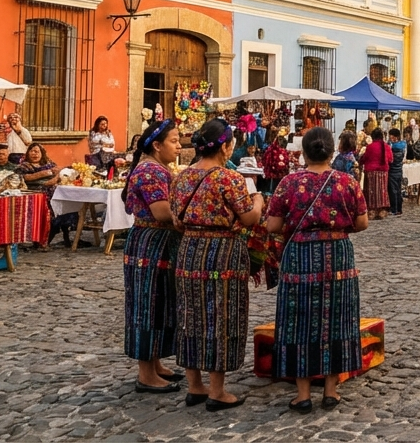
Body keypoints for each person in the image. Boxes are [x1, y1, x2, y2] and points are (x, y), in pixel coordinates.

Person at [265, 126, 368, 413]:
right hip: (337, 255)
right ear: (332, 151)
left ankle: (303, 394)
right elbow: (362, 223)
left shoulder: (289, 183)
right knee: (338, 316)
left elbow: (272, 225)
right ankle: (331, 390)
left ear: (303, 152)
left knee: (298, 318)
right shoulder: (346, 182)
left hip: (300, 255)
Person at [171, 118, 264, 411]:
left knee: (190, 315)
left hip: (189, 252)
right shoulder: (229, 179)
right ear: (225, 146)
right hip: (223, 253)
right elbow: (249, 218)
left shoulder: (182, 177)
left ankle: (194, 387)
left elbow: (176, 220)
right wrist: (258, 199)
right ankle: (218, 391)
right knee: (221, 316)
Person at [123, 119, 184, 394]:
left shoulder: (156, 168)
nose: (179, 145)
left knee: (160, 302)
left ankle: (156, 362)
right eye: (174, 141)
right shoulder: (150, 172)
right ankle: (146, 373)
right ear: (157, 146)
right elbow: (161, 212)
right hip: (151, 244)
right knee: (149, 304)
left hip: (158, 243)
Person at [19, 143, 73, 249]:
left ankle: (64, 233)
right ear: (28, 153)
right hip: (38, 190)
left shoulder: (49, 162)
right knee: (50, 199)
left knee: (67, 199)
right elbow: (26, 178)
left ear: (42, 153)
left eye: (37, 151)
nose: (35, 154)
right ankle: (43, 240)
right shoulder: (24, 166)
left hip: (53, 187)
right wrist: (47, 174)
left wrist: (56, 177)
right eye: (32, 151)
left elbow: (59, 171)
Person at [360, 128, 391, 219]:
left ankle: (372, 210)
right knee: (382, 191)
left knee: (371, 191)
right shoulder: (386, 146)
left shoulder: (370, 147)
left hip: (371, 172)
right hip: (383, 172)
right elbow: (390, 159)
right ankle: (382, 210)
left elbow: (365, 158)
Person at [387, 129, 406, 216]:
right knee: (398, 190)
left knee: (393, 190)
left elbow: (390, 160)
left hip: (392, 171)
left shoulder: (392, 147)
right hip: (399, 170)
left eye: (390, 136)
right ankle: (399, 208)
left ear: (394, 137)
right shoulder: (403, 146)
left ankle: (394, 209)